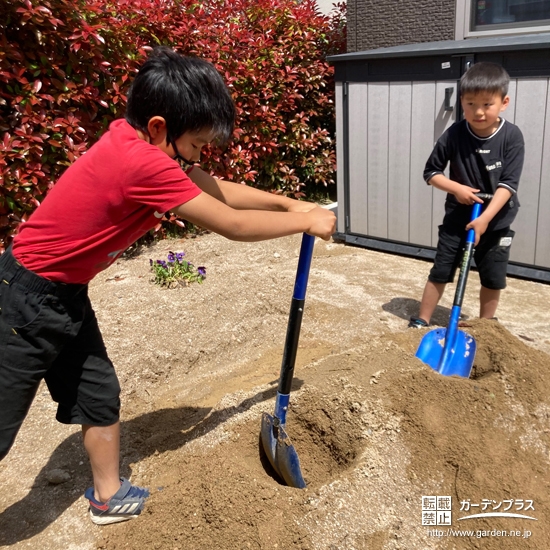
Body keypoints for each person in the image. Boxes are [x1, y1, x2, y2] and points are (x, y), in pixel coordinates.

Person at [0, 46, 336, 524]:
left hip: (64, 293)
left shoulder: (139, 140)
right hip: (24, 300)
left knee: (97, 392)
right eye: (197, 143)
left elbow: (211, 185)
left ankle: (107, 496)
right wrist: (303, 225)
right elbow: (230, 224)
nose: (198, 156)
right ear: (159, 127)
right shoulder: (140, 162)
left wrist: (289, 205)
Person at [408, 61, 524, 329]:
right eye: (471, 104)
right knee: (441, 269)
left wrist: (485, 220)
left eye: (487, 104)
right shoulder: (455, 134)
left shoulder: (511, 137)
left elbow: (508, 184)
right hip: (457, 218)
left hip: (496, 221)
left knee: (492, 276)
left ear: (503, 102)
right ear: (461, 101)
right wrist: (456, 188)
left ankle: (487, 327)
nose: (478, 111)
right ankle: (421, 320)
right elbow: (431, 172)